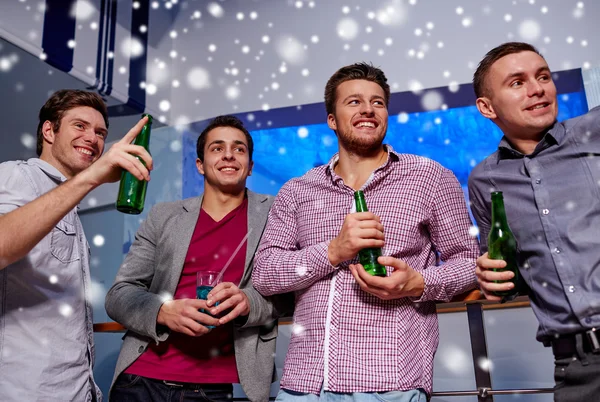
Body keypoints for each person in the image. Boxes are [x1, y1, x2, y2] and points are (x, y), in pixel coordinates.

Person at [252, 62, 479, 401]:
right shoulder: (297, 191)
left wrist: (418, 283)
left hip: (390, 382)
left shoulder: (430, 177)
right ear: (332, 119)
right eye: (354, 101)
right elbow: (266, 273)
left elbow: (468, 262)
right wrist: (333, 252)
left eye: (378, 102)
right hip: (304, 384)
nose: (368, 110)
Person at [105, 115, 293, 402]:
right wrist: (162, 312)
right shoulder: (164, 215)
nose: (229, 154)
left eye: (239, 148)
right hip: (141, 379)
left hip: (215, 389)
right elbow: (119, 295)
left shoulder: (275, 213)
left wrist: (248, 302)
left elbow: (289, 294)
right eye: (217, 148)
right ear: (200, 165)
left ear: (251, 166)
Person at [468, 42, 600, 401]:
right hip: (576, 369)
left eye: (543, 76)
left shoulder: (594, 131)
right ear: (486, 107)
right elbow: (509, 277)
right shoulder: (485, 180)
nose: (537, 88)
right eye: (517, 82)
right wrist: (492, 280)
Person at [0, 89, 152, 401]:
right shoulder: (17, 175)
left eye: (100, 132)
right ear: (48, 130)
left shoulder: (67, 202)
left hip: (76, 389)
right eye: (79, 126)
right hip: (26, 391)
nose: (93, 139)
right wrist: (91, 178)